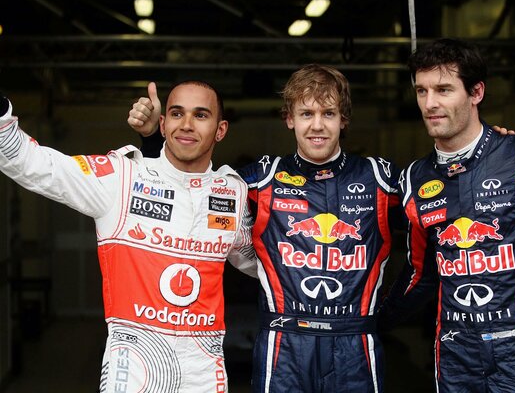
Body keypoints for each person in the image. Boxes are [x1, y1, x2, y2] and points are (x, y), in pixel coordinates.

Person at [129, 65, 404, 392]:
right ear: (289, 119)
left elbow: (434, 238)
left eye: (328, 113)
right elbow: (186, 190)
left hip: (355, 348)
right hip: (283, 348)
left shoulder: (379, 178)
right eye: (306, 113)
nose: (317, 125)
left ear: (343, 119)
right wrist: (151, 141)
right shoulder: (263, 178)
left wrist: (389, 315)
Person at [0, 81, 257, 393]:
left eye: (200, 115)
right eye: (177, 114)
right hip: (133, 372)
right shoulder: (122, 177)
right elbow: (34, 164)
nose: (187, 125)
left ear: (221, 130)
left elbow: (266, 265)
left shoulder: (231, 192)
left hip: (204, 374)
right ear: (163, 124)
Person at [378, 38, 515, 393]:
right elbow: (421, 276)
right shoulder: (414, 179)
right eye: (421, 90)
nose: (430, 103)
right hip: (455, 357)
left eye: (444, 89)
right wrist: (368, 324)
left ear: (476, 92)